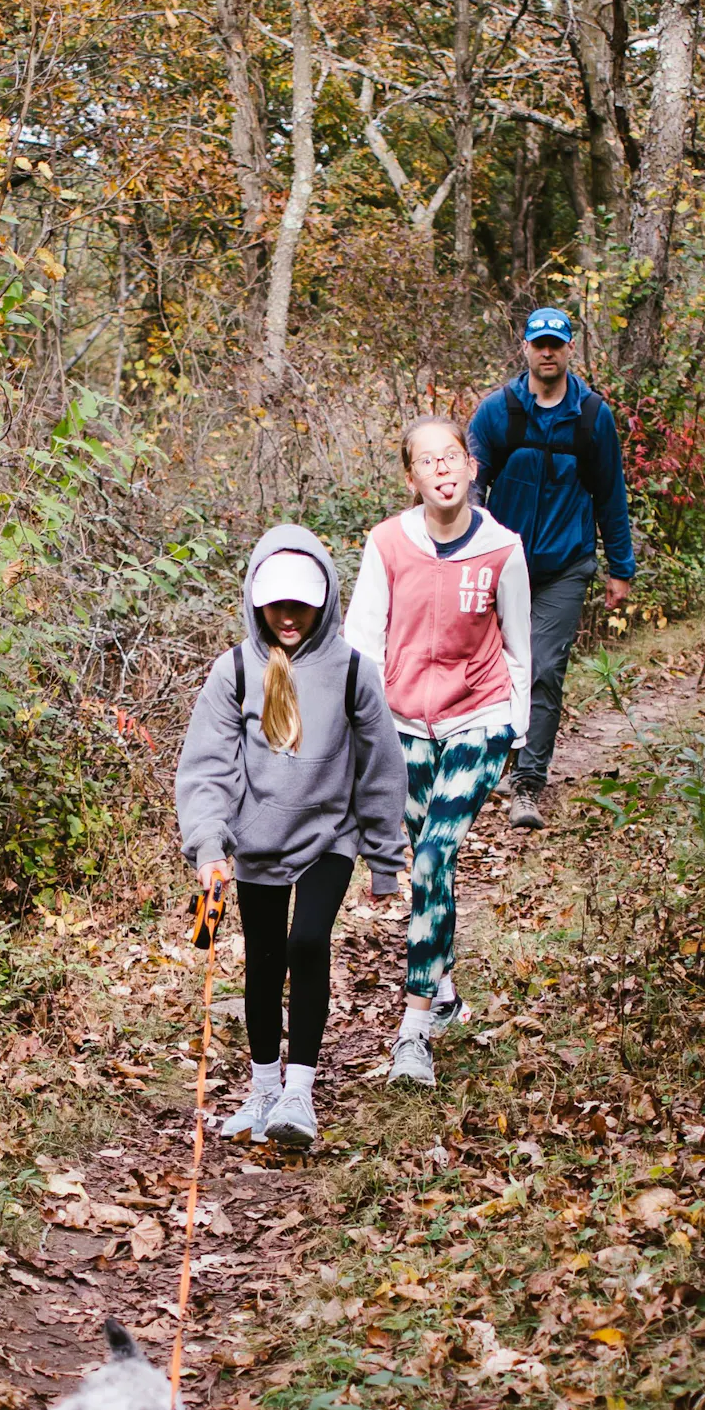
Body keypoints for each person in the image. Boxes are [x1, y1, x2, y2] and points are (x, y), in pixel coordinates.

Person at [175, 525, 408, 1153]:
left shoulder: (352, 669)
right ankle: (262, 1087)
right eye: (275, 603)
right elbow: (209, 767)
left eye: (301, 603)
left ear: (325, 599)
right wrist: (209, 844)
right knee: (263, 960)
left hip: (330, 834)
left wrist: (386, 857)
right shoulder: (234, 671)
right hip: (257, 842)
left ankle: (299, 1091)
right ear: (255, 600)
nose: (287, 615)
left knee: (308, 943)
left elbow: (381, 765)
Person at [344, 415, 531, 1091]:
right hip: (403, 724)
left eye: (452, 456)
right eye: (428, 460)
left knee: (431, 856)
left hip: (479, 718)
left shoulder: (503, 548)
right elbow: (362, 638)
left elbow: (518, 643)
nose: (443, 468)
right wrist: (361, 729)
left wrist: (517, 728)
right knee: (431, 866)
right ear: (411, 477)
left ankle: (413, 1033)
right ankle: (445, 990)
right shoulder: (388, 543)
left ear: (471, 467)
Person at [467, 306, 633, 831]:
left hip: (567, 564)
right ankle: (492, 760)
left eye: (555, 344)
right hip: (502, 564)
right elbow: (470, 485)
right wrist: (460, 549)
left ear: (569, 349)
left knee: (542, 669)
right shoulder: (497, 412)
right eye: (538, 343)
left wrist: (619, 567)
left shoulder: (591, 416)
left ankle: (527, 784)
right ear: (525, 348)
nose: (546, 352)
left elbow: (611, 493)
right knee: (491, 667)